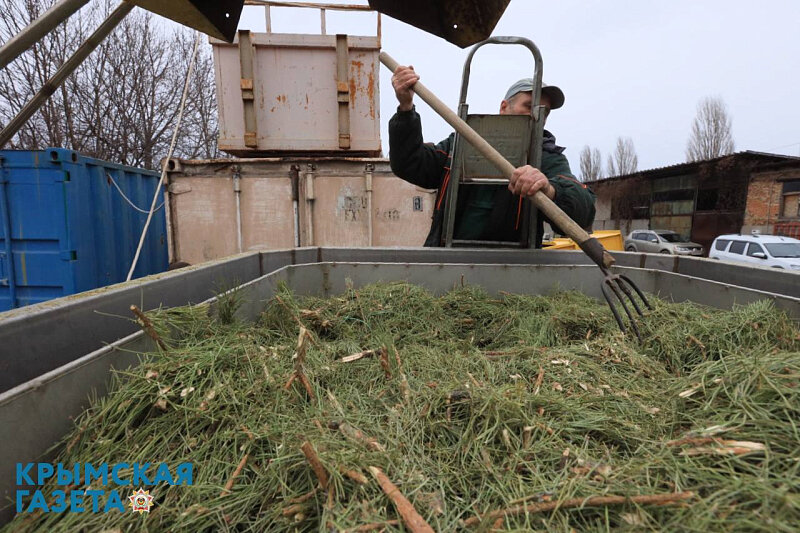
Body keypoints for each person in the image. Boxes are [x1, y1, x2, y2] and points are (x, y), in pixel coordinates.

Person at [388, 65, 596, 247]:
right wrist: (406, 110)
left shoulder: (547, 158)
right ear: (504, 107)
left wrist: (550, 190)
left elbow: (584, 211)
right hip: (448, 262)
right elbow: (409, 163)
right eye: (529, 106)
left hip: (513, 271)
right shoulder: (461, 142)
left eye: (545, 111)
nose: (537, 115)